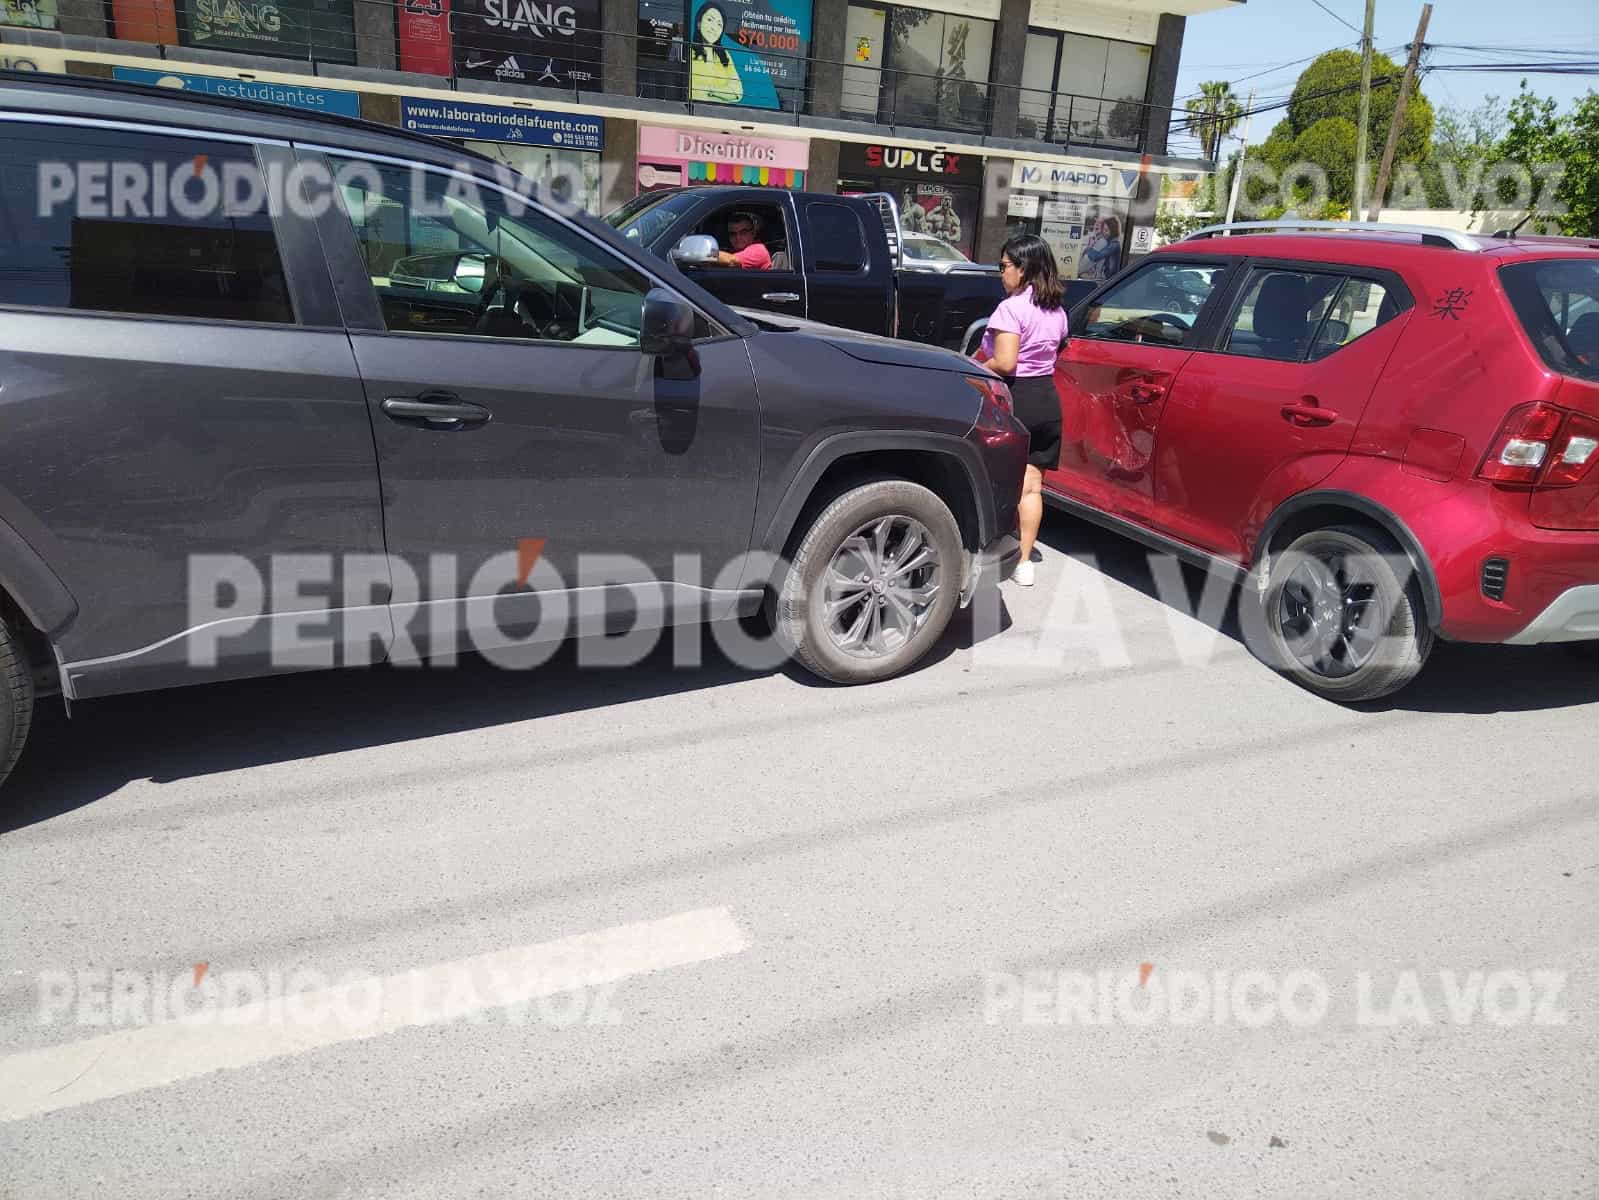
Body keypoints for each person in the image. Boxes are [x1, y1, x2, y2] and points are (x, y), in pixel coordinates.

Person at [978, 234, 1068, 587]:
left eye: (1003, 266)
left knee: (992, 478)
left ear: (1023, 268)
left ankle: (984, 549)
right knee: (1031, 488)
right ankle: (1025, 562)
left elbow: (1005, 362)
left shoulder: (1011, 309)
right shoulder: (1057, 311)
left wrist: (972, 366)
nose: (1001, 273)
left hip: (1014, 398)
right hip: (1046, 399)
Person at [689, 2, 744, 104]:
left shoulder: (724, 54)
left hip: (719, 111)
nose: (714, 28)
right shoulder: (688, 51)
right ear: (699, 23)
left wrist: (710, 91)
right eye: (710, 20)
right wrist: (724, 96)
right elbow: (692, 93)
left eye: (719, 24)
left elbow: (738, 92)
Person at [1077, 215, 1122, 282]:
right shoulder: (1106, 241)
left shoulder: (1114, 244)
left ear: (1113, 231)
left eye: (1106, 230)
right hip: (1106, 278)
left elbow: (1096, 256)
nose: (1104, 232)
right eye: (1103, 229)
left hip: (1109, 279)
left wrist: (1089, 249)